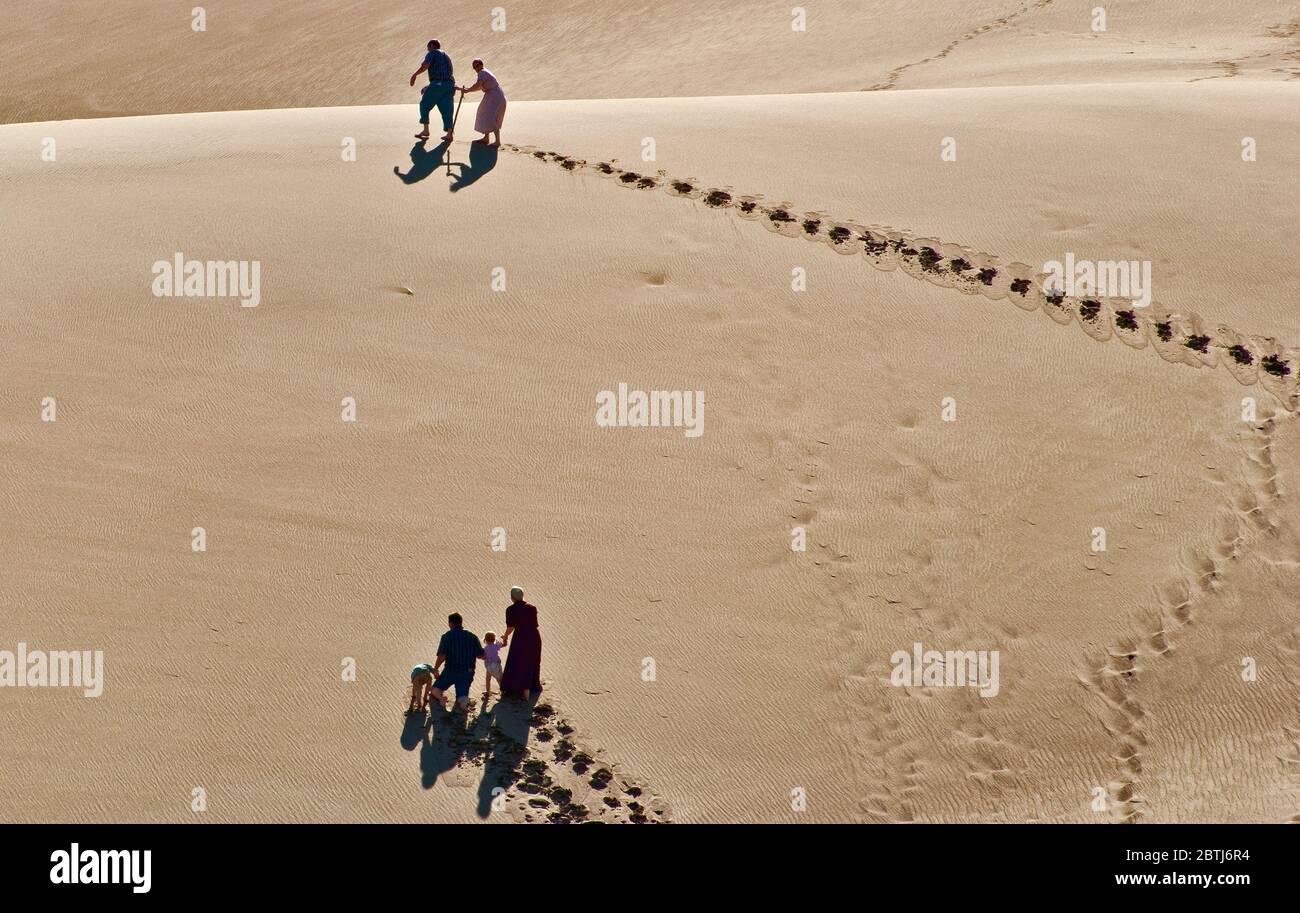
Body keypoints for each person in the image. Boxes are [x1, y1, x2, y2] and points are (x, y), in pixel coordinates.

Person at [430, 613, 485, 712]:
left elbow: (442, 656)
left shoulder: (447, 636)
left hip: (450, 671)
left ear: (450, 623)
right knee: (462, 696)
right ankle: (464, 703)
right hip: (467, 672)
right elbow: (481, 655)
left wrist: (436, 668)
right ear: (461, 622)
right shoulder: (472, 637)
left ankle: (441, 698)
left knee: (435, 689)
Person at [499, 586, 542, 700]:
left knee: (516, 661)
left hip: (521, 637)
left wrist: (505, 637)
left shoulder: (511, 610)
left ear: (512, 597)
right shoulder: (532, 608)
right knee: (532, 661)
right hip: (534, 636)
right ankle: (530, 687)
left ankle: (513, 687)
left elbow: (511, 627)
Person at [410, 39, 456, 142]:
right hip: (449, 85)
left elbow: (425, 65)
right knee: (447, 110)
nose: (427, 49)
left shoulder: (432, 53)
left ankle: (426, 130)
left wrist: (415, 75)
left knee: (424, 105)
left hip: (438, 84)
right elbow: (450, 71)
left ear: (432, 46)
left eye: (428, 47)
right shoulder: (446, 56)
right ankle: (449, 134)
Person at [459, 59, 507, 146]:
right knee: (484, 114)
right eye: (474, 67)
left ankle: (497, 141)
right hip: (492, 95)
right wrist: (468, 90)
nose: (475, 68)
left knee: (492, 116)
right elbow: (480, 87)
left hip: (494, 96)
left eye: (477, 66)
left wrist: (468, 90)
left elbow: (478, 84)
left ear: (481, 65)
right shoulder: (484, 72)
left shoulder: (482, 72)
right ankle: (486, 137)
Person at [482, 631, 504, 698]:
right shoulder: (496, 646)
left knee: (488, 679)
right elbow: (503, 644)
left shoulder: (484, 649)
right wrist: (504, 638)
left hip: (488, 666)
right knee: (499, 679)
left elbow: (483, 657)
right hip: (496, 664)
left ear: (485, 640)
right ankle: (503, 692)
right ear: (494, 639)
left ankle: (488, 692)